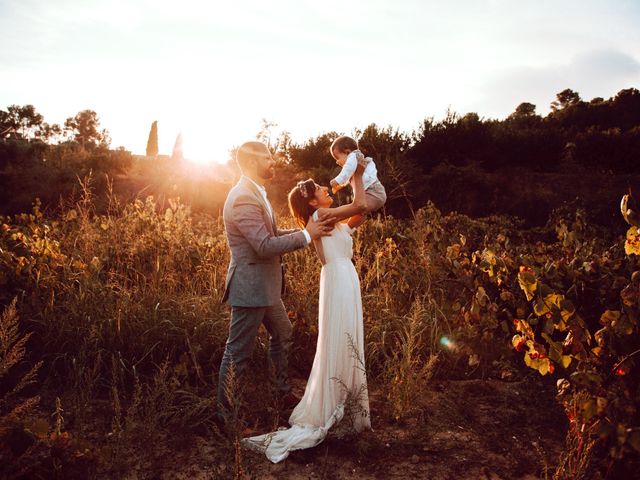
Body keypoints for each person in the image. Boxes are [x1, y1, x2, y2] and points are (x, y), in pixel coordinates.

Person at [242, 154, 371, 463]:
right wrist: (356, 175)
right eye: (323, 191)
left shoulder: (327, 217)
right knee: (341, 338)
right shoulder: (323, 215)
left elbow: (360, 216)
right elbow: (362, 205)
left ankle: (347, 403)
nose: (328, 190)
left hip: (344, 279)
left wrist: (365, 183)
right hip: (339, 281)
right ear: (315, 203)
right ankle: (336, 406)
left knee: (345, 337)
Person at [216, 141, 334, 425]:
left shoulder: (257, 193)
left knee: (282, 332)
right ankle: (226, 417)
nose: (273, 162)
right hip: (250, 287)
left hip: (267, 288)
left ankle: (280, 393)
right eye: (268, 157)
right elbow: (264, 245)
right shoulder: (243, 197)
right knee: (237, 353)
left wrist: (307, 232)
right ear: (252, 161)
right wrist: (307, 235)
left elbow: (273, 232)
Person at [329, 135, 386, 224]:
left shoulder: (353, 156)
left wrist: (337, 180)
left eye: (337, 158)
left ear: (347, 152)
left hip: (373, 192)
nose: (337, 161)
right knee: (359, 212)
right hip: (372, 192)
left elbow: (347, 170)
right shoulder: (355, 161)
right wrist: (339, 186)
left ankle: (336, 221)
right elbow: (349, 177)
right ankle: (348, 228)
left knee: (356, 209)